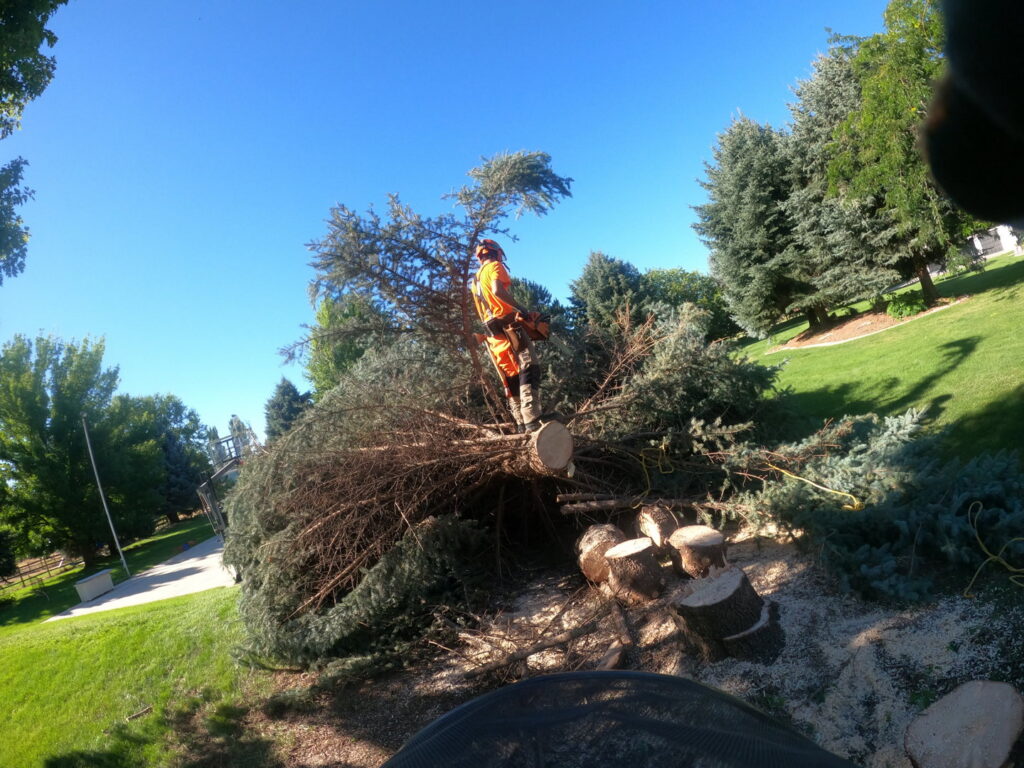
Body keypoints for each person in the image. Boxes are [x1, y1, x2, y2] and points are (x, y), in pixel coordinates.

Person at [469, 239, 543, 432]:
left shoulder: (475, 280)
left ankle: (520, 423)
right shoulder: (495, 266)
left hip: (492, 333)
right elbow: (497, 290)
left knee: (511, 374)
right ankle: (532, 418)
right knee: (529, 366)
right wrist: (521, 309)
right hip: (508, 325)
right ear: (496, 253)